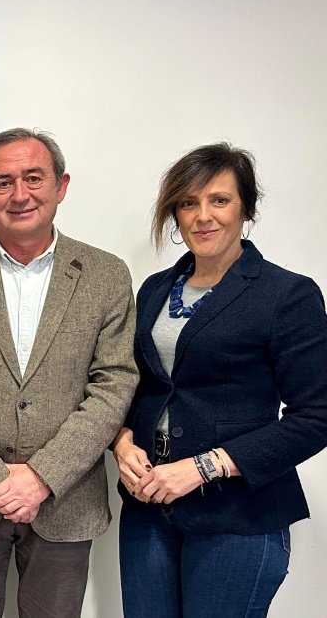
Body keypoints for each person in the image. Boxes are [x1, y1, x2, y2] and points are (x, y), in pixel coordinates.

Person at [0, 128, 139, 618]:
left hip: (67, 499)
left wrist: (42, 476)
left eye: (34, 178)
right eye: (3, 182)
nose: (20, 194)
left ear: (61, 186)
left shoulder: (106, 275)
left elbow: (114, 384)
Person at [113, 143, 327, 617]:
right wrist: (122, 442)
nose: (202, 216)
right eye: (188, 203)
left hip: (237, 515)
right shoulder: (155, 289)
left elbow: (317, 416)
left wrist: (203, 467)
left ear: (246, 208)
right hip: (149, 509)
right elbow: (139, 386)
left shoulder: (287, 295)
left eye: (220, 200)